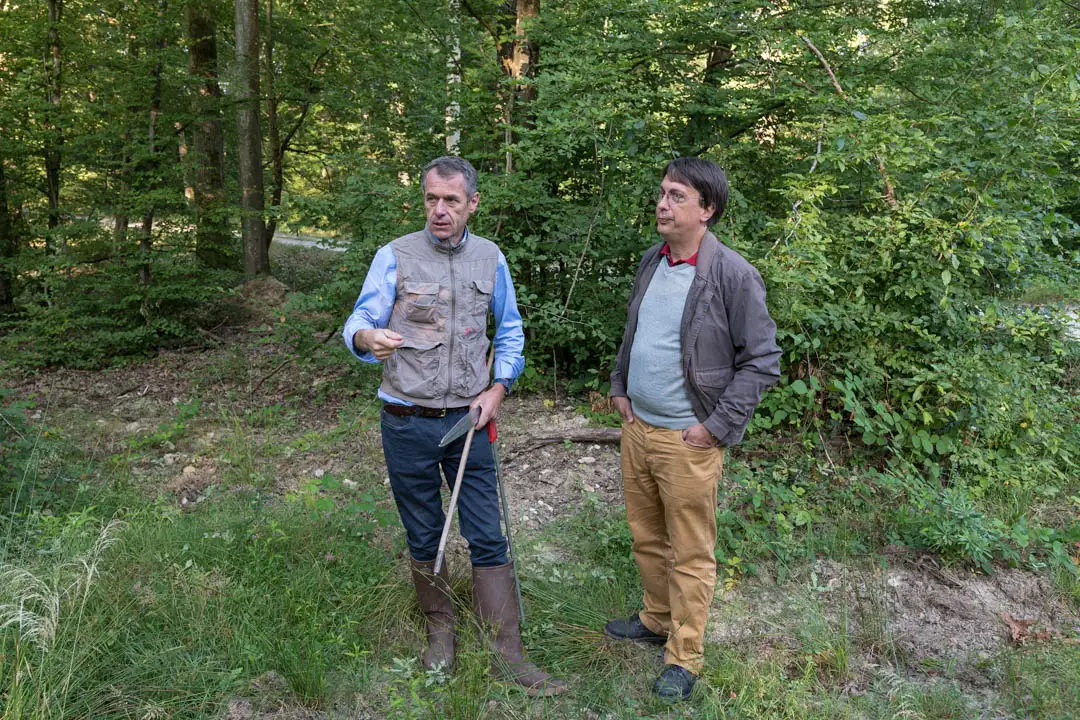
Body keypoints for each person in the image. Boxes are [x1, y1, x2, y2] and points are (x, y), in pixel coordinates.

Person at [343, 156, 566, 696]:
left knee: (487, 532)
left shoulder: (491, 259)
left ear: (472, 203)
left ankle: (508, 649)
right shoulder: (394, 256)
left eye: (450, 200)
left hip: (469, 421)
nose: (439, 210)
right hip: (406, 419)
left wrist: (498, 388)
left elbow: (510, 332)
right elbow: (358, 322)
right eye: (430, 199)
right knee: (424, 531)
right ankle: (439, 633)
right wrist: (366, 341)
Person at [605, 157, 781, 702]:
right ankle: (656, 619)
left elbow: (763, 360)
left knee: (691, 552)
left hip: (688, 441)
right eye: (662, 193)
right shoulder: (651, 261)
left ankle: (684, 657)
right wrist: (619, 384)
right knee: (647, 539)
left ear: (707, 210)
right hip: (638, 432)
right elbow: (637, 330)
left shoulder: (731, 273)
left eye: (677, 196)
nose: (663, 203)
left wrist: (716, 426)